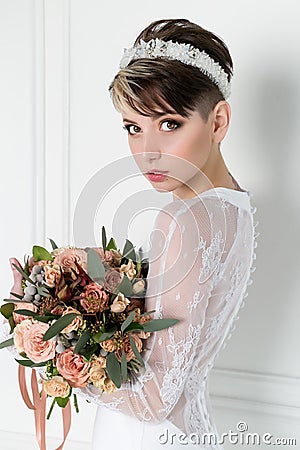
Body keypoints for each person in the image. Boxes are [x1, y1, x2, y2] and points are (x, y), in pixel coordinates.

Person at [9, 18, 258, 450]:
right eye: (133, 127)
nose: (148, 152)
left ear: (218, 122)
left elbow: (154, 399)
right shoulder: (237, 208)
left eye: (169, 124)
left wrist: (52, 349)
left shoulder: (184, 219)